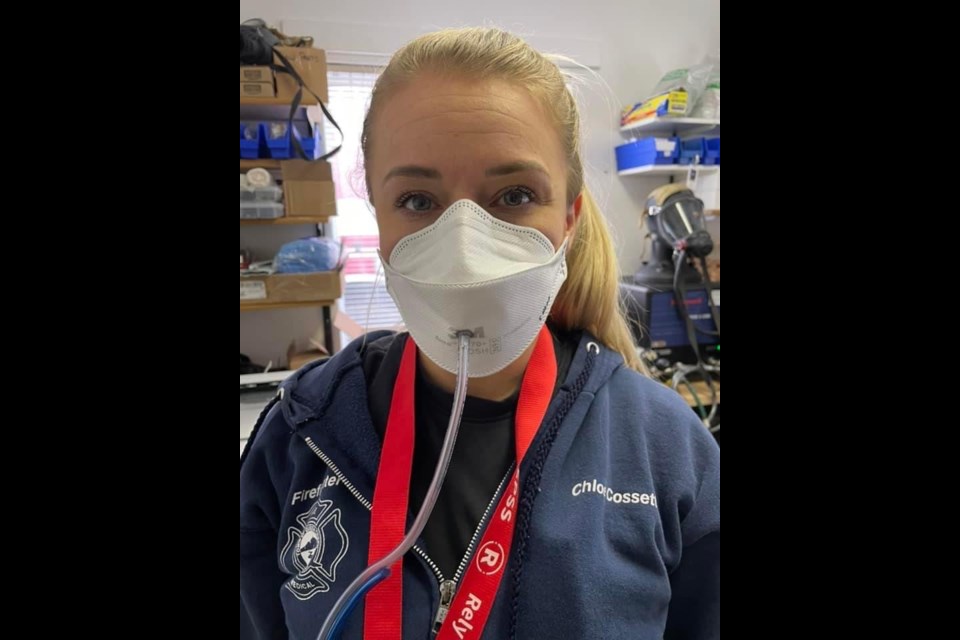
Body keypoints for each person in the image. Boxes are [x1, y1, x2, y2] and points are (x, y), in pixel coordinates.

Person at [240, 27, 720, 640]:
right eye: (417, 199)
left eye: (515, 195)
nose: (464, 246)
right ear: (378, 223)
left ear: (569, 220)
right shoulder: (301, 436)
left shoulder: (667, 453)